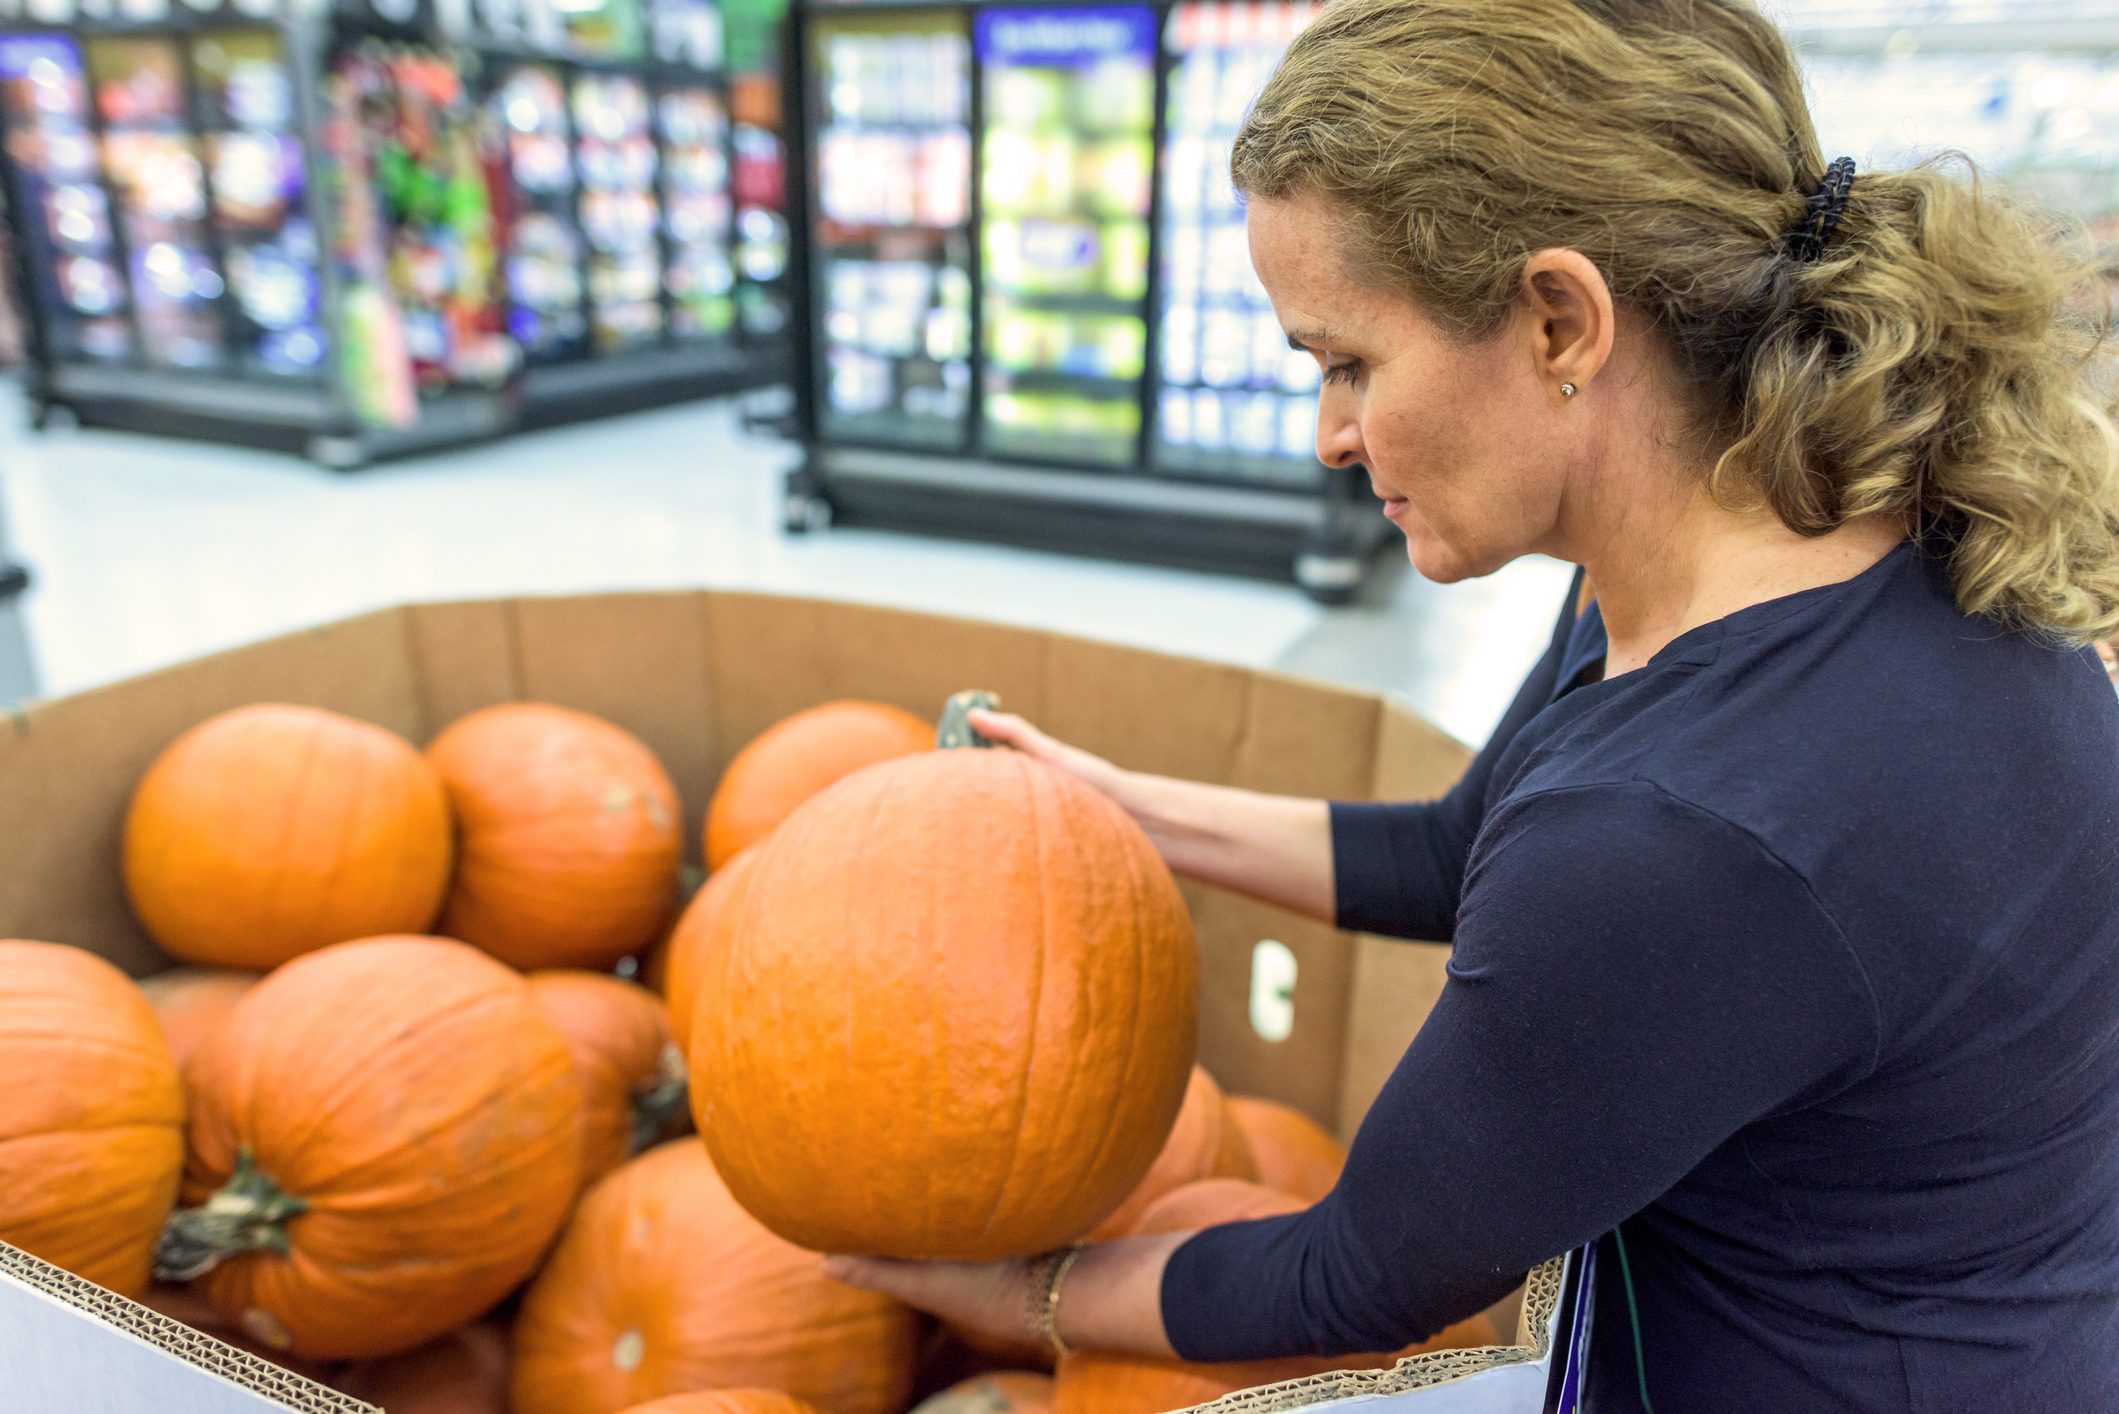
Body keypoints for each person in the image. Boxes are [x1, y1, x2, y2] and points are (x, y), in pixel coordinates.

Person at [820, 1, 2119, 1407]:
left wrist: (1020, 1291)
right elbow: (1457, 852)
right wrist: (1107, 803)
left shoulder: (1673, 828)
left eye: (1349, 363)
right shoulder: (1806, 520)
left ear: (1561, 320)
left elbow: (1362, 1271)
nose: (1331, 435)